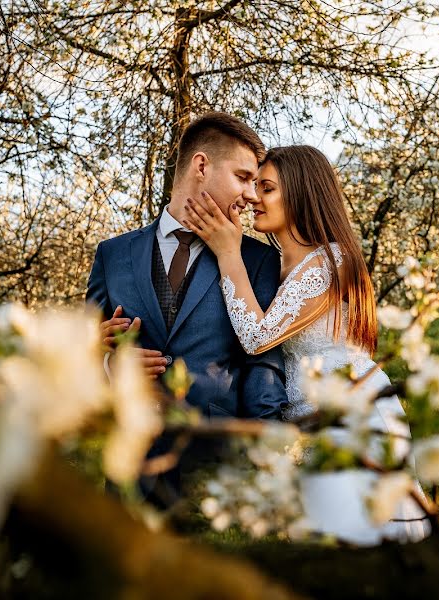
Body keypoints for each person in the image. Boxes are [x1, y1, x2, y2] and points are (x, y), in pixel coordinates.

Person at [182, 145, 430, 542]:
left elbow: (258, 337)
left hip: (352, 415)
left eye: (267, 188)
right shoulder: (275, 267)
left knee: (367, 538)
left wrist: (229, 253)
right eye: (254, 186)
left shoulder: (331, 261)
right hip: (310, 422)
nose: (253, 199)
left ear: (300, 193)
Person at [85, 112, 288, 504]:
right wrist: (110, 366)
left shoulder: (258, 261)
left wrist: (266, 455)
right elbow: (83, 356)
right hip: (131, 471)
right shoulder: (112, 255)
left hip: (215, 472)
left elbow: (263, 363)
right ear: (201, 165)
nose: (251, 196)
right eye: (243, 177)